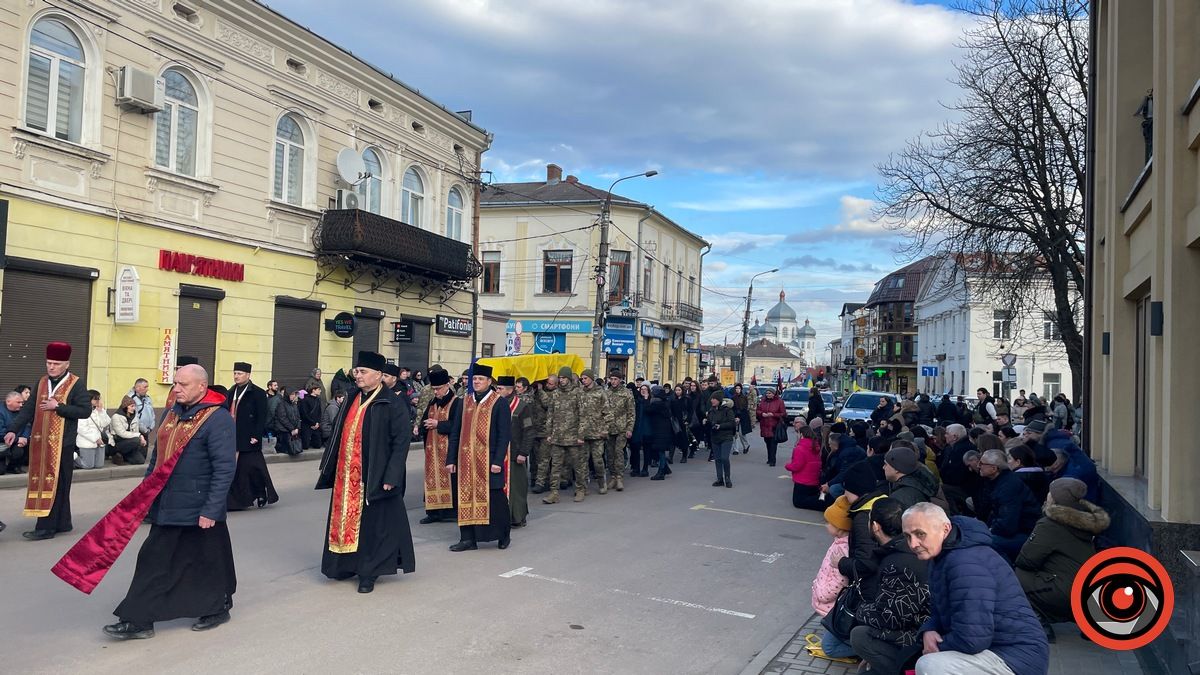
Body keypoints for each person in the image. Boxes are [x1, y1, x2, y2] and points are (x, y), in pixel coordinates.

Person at [88, 364, 238, 639]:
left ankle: (216, 608)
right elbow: (156, 459)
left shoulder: (217, 419)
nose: (176, 389)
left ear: (202, 387)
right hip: (167, 504)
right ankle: (139, 620)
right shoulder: (172, 414)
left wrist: (211, 510)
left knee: (207, 562)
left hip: (199, 507)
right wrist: (146, 494)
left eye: (183, 384)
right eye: (175, 383)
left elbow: (225, 469)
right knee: (154, 561)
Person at [904, 503, 1048, 675]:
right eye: (908, 536)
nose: (913, 544)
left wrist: (936, 645)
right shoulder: (945, 554)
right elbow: (941, 610)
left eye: (920, 534)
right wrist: (929, 630)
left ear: (945, 529)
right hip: (1001, 649)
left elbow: (973, 639)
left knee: (930, 665)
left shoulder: (964, 563)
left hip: (1016, 658)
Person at [316, 351, 415, 593]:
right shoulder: (352, 397)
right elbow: (338, 433)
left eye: (363, 372)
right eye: (357, 371)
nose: (358, 375)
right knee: (344, 523)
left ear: (379, 375)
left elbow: (400, 442)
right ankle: (344, 565)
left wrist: (392, 475)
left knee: (373, 528)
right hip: (346, 476)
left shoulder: (391, 402)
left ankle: (368, 573)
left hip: (373, 476)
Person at [5, 342, 92, 540]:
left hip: (63, 444)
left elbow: (85, 411)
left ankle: (45, 528)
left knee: (58, 483)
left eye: (56, 363)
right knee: (49, 482)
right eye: (48, 363)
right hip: (41, 442)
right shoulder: (42, 382)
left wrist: (58, 407)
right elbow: (29, 409)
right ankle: (62, 523)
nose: (51, 367)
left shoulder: (76, 383)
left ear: (66, 364)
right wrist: (13, 430)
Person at [1015, 478, 1110, 633]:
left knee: (1015, 575)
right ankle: (1082, 618)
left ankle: (1040, 621)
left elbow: (1027, 560)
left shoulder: (1049, 524)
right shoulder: (1086, 520)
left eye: (1050, 493)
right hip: (1088, 590)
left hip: (1067, 592)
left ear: (1055, 498)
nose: (1047, 495)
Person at [849, 498, 932, 675]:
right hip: (922, 628)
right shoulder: (906, 550)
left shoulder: (897, 562)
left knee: (859, 635)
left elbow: (890, 618)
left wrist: (859, 610)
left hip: (920, 638)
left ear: (875, 527)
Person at [446, 364, 513, 551]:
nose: (476, 382)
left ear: (489, 381)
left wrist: (498, 461)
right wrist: (451, 459)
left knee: (495, 499)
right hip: (466, 461)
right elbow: (455, 432)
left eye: (480, 379)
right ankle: (467, 539)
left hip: (489, 461)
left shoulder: (499, 403)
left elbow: (504, 435)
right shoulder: (464, 402)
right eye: (474, 379)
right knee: (465, 497)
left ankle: (503, 535)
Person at [226, 362, 277, 511]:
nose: (236, 376)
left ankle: (261, 493)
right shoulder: (231, 392)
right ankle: (239, 499)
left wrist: (256, 435)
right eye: (235, 373)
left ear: (248, 375)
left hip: (250, 436)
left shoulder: (258, 393)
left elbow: (262, 416)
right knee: (237, 469)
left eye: (239, 373)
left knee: (254, 467)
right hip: (233, 435)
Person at [976, 449, 1042, 561]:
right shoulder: (994, 482)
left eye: (982, 463)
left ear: (994, 468)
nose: (978, 466)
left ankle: (1007, 568)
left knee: (983, 542)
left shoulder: (1008, 487)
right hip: (1014, 529)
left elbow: (1007, 524)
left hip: (1024, 533)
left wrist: (988, 531)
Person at [418, 369, 460, 524]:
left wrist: (438, 424)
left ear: (447, 385)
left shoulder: (457, 402)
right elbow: (424, 421)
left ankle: (450, 512)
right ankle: (433, 513)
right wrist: (421, 426)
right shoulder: (432, 402)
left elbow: (459, 426)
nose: (436, 392)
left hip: (449, 450)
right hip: (432, 450)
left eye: (438, 388)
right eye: (433, 389)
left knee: (450, 480)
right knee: (431, 479)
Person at [539, 368, 581, 504]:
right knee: (556, 466)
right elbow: (550, 414)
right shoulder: (556, 394)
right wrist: (549, 433)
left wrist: (581, 434)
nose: (561, 380)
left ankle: (580, 489)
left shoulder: (577, 393)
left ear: (569, 379)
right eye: (560, 378)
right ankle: (554, 493)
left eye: (564, 378)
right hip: (557, 436)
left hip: (573, 436)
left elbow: (583, 415)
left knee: (578, 465)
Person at [812, 495, 852, 619]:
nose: (826, 525)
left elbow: (840, 580)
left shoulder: (843, 549)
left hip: (830, 604)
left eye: (828, 522)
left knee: (829, 628)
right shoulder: (839, 542)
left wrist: (822, 593)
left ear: (839, 527)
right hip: (826, 600)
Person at [504, 377, 535, 527]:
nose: (497, 391)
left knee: (517, 488)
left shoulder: (522, 406)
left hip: (516, 453)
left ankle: (518, 517)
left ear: (509, 390)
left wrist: (523, 452)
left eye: (500, 389)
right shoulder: (497, 405)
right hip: (501, 454)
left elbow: (529, 431)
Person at [604, 369, 635, 493]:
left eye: (615, 379)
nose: (613, 381)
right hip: (609, 428)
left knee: (619, 452)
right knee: (609, 453)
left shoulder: (627, 393)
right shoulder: (606, 393)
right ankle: (612, 476)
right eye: (611, 379)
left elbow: (631, 412)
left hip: (622, 428)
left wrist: (629, 428)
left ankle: (619, 477)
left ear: (620, 380)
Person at [883, 445, 939, 511]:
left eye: (886, 464)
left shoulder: (900, 498)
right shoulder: (920, 484)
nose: (883, 467)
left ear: (896, 469)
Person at [786, 421, 824, 510]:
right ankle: (822, 499)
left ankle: (825, 503)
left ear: (802, 435)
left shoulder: (800, 448)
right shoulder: (815, 446)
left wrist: (788, 466)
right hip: (814, 480)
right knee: (809, 498)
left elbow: (797, 466)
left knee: (798, 502)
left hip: (802, 481)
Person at [75, 390, 110, 469]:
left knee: (99, 465)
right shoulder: (83, 410)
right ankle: (73, 457)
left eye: (99, 398)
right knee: (88, 465)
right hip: (87, 441)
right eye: (95, 399)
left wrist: (101, 412)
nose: (98, 401)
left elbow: (105, 423)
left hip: (99, 442)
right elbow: (82, 429)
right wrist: (95, 438)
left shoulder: (97, 410)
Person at [707, 389, 736, 488]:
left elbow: (732, 423)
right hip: (715, 437)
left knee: (724, 458)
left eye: (714, 399)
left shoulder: (727, 410)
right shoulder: (711, 410)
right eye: (711, 399)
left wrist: (721, 426)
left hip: (726, 437)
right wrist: (706, 422)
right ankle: (720, 479)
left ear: (719, 400)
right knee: (718, 459)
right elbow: (710, 422)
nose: (712, 400)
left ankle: (727, 478)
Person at [645, 386, 675, 481]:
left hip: (660, 430)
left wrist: (646, 399)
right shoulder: (664, 401)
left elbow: (647, 410)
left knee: (660, 451)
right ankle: (665, 468)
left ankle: (661, 472)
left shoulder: (657, 403)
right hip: (664, 429)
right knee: (660, 450)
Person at [110, 396, 148, 465]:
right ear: (125, 407)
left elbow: (137, 429)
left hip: (131, 442)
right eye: (132, 406)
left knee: (140, 461)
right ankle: (116, 454)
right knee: (136, 440)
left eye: (134, 406)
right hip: (118, 442)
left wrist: (144, 434)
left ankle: (123, 456)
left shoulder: (134, 416)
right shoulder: (116, 417)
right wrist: (139, 436)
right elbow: (121, 433)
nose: (134, 408)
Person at [0, 391, 31, 474]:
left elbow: (27, 425)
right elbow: (1, 433)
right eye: (18, 402)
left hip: (17, 442)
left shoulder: (22, 412)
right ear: (8, 402)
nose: (21, 405)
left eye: (22, 402)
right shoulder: (1, 412)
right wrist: (17, 439)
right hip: (2, 442)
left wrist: (24, 437)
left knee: (20, 449)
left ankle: (14, 467)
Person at [755, 387, 785, 466]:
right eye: (767, 393)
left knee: (773, 444)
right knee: (767, 442)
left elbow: (783, 413)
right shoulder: (763, 401)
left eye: (770, 393)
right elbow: (758, 410)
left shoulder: (779, 401)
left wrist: (773, 414)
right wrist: (762, 414)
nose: (768, 395)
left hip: (775, 426)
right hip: (764, 425)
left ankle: (773, 460)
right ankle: (769, 458)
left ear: (774, 394)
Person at [628, 384, 652, 476]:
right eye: (642, 389)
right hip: (637, 427)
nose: (643, 390)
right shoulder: (637, 400)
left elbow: (648, 410)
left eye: (645, 389)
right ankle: (636, 468)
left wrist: (646, 399)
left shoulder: (651, 401)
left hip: (647, 427)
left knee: (646, 449)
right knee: (635, 448)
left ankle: (645, 469)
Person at [128, 378, 156, 454]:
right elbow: (133, 417)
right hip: (137, 431)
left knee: (144, 454)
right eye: (145, 387)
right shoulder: (130, 398)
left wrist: (151, 426)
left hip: (147, 431)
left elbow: (152, 413)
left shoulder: (147, 398)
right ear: (137, 388)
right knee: (138, 456)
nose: (147, 389)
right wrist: (143, 429)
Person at [271, 387, 302, 455]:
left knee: (295, 448)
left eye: (295, 394)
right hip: (283, 429)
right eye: (292, 394)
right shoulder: (281, 404)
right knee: (289, 449)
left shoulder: (294, 404)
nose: (294, 396)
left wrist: (297, 428)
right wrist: (292, 429)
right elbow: (282, 418)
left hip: (292, 429)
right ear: (288, 395)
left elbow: (298, 417)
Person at [298, 384, 324, 450]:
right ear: (313, 390)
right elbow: (304, 414)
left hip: (316, 424)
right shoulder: (305, 400)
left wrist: (317, 423)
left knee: (318, 445)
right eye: (318, 389)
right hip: (307, 424)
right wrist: (312, 423)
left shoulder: (318, 400)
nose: (320, 391)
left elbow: (319, 412)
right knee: (305, 446)